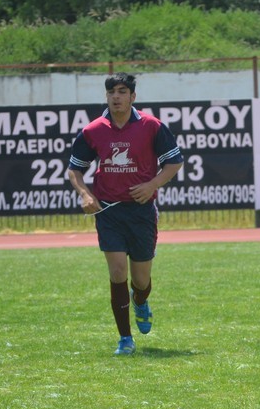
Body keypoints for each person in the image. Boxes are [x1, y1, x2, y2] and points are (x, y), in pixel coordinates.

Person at [67, 73, 184, 355]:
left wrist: (152, 184)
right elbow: (74, 170)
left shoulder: (152, 126)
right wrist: (85, 194)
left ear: (133, 96)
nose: (116, 97)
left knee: (141, 280)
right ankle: (125, 338)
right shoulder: (93, 130)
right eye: (111, 92)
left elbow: (174, 163)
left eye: (122, 91)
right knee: (117, 270)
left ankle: (140, 301)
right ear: (106, 96)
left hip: (142, 212)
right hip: (108, 211)